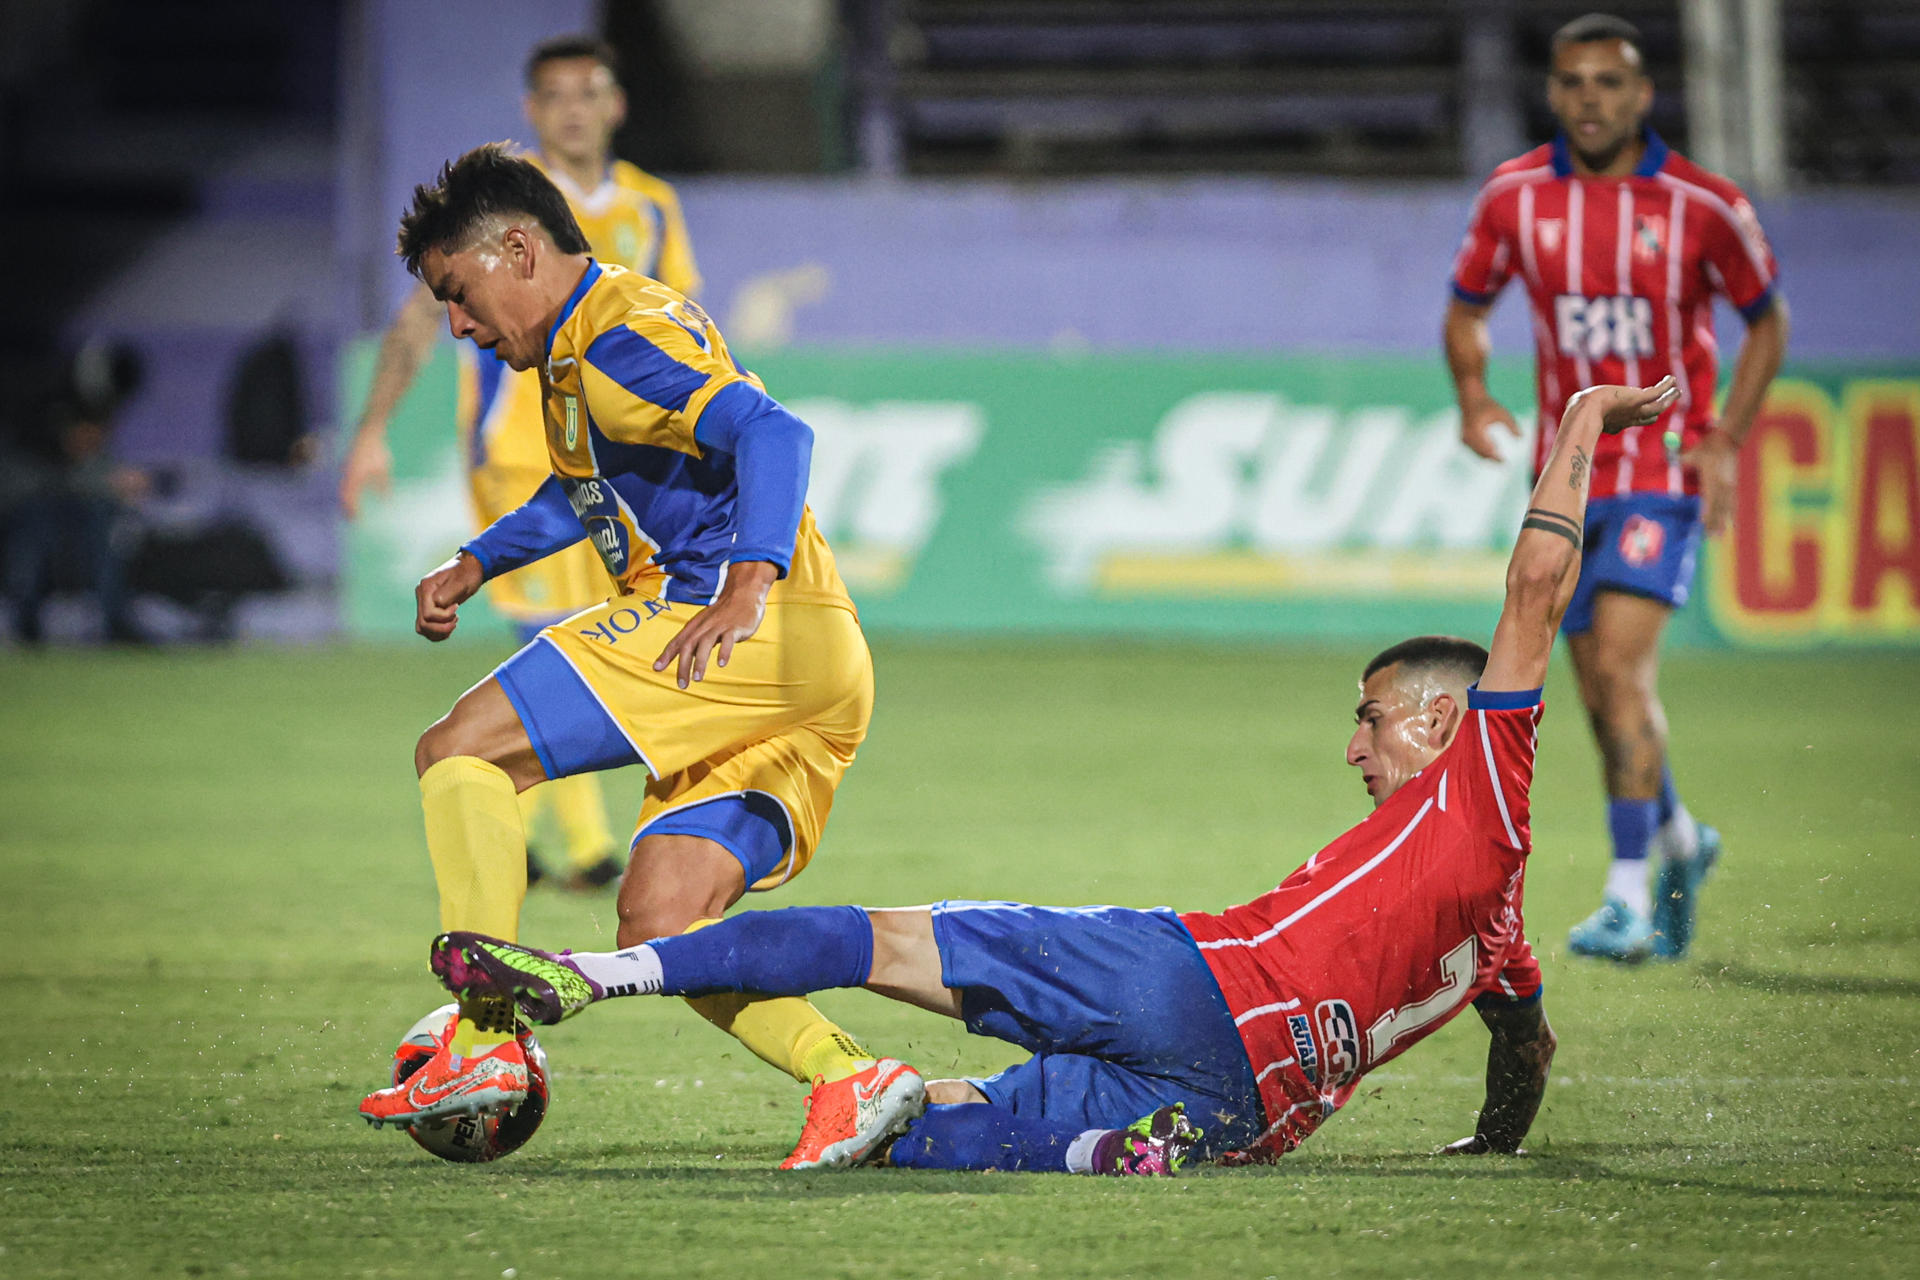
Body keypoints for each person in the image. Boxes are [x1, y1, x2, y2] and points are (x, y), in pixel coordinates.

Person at [415, 379, 1685, 1174]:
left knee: (884, 939)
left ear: (1438, 718)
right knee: (931, 1140)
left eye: (1370, 722)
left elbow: (1535, 586)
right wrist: (1494, 1142)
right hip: (1254, 1114)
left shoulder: (1484, 769)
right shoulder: (1502, 906)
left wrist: (1577, 424)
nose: (1354, 750)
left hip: (1189, 978)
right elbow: (1525, 1038)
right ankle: (950, 1110)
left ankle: (579, 978)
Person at [355, 143, 886, 1168]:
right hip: (811, 663)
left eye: (459, 295)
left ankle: (483, 1039)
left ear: (516, 248)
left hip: (733, 624)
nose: (458, 326)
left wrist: (747, 578)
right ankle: (850, 1077)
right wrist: (477, 560)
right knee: (664, 915)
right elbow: (585, 486)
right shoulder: (582, 344)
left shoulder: (613, 339)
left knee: (459, 748)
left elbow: (773, 432)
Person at [1444, 13, 1789, 962]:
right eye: (1572, 82)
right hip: (1572, 472)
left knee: (1624, 675)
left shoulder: (1702, 204)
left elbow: (1767, 321)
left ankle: (1627, 897)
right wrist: (1472, 394)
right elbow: (1466, 307)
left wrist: (1722, 440)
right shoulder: (1515, 196)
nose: (1589, 98)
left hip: (1664, 471)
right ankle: (1681, 838)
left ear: (1642, 94)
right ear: (1552, 92)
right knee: (1598, 691)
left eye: (1608, 82)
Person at [341, 36, 703, 892]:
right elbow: (421, 320)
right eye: (555, 96)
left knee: (603, 633)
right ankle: (581, 851)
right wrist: (371, 430)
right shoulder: (500, 212)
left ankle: (523, 822)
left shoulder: (651, 207)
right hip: (516, 455)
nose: (574, 109)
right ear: (532, 111)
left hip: (612, 456)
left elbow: (680, 312)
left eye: (590, 93)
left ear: (616, 105)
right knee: (553, 638)